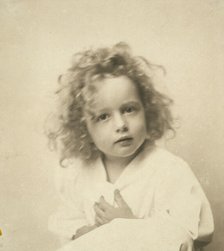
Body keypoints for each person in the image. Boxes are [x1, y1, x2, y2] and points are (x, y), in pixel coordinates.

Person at [47, 42, 214, 251]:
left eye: (129, 109)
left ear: (147, 109)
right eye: (103, 116)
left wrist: (129, 226)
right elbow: (67, 221)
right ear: (84, 127)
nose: (121, 125)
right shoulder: (77, 173)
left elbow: (185, 237)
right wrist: (81, 231)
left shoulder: (169, 171)